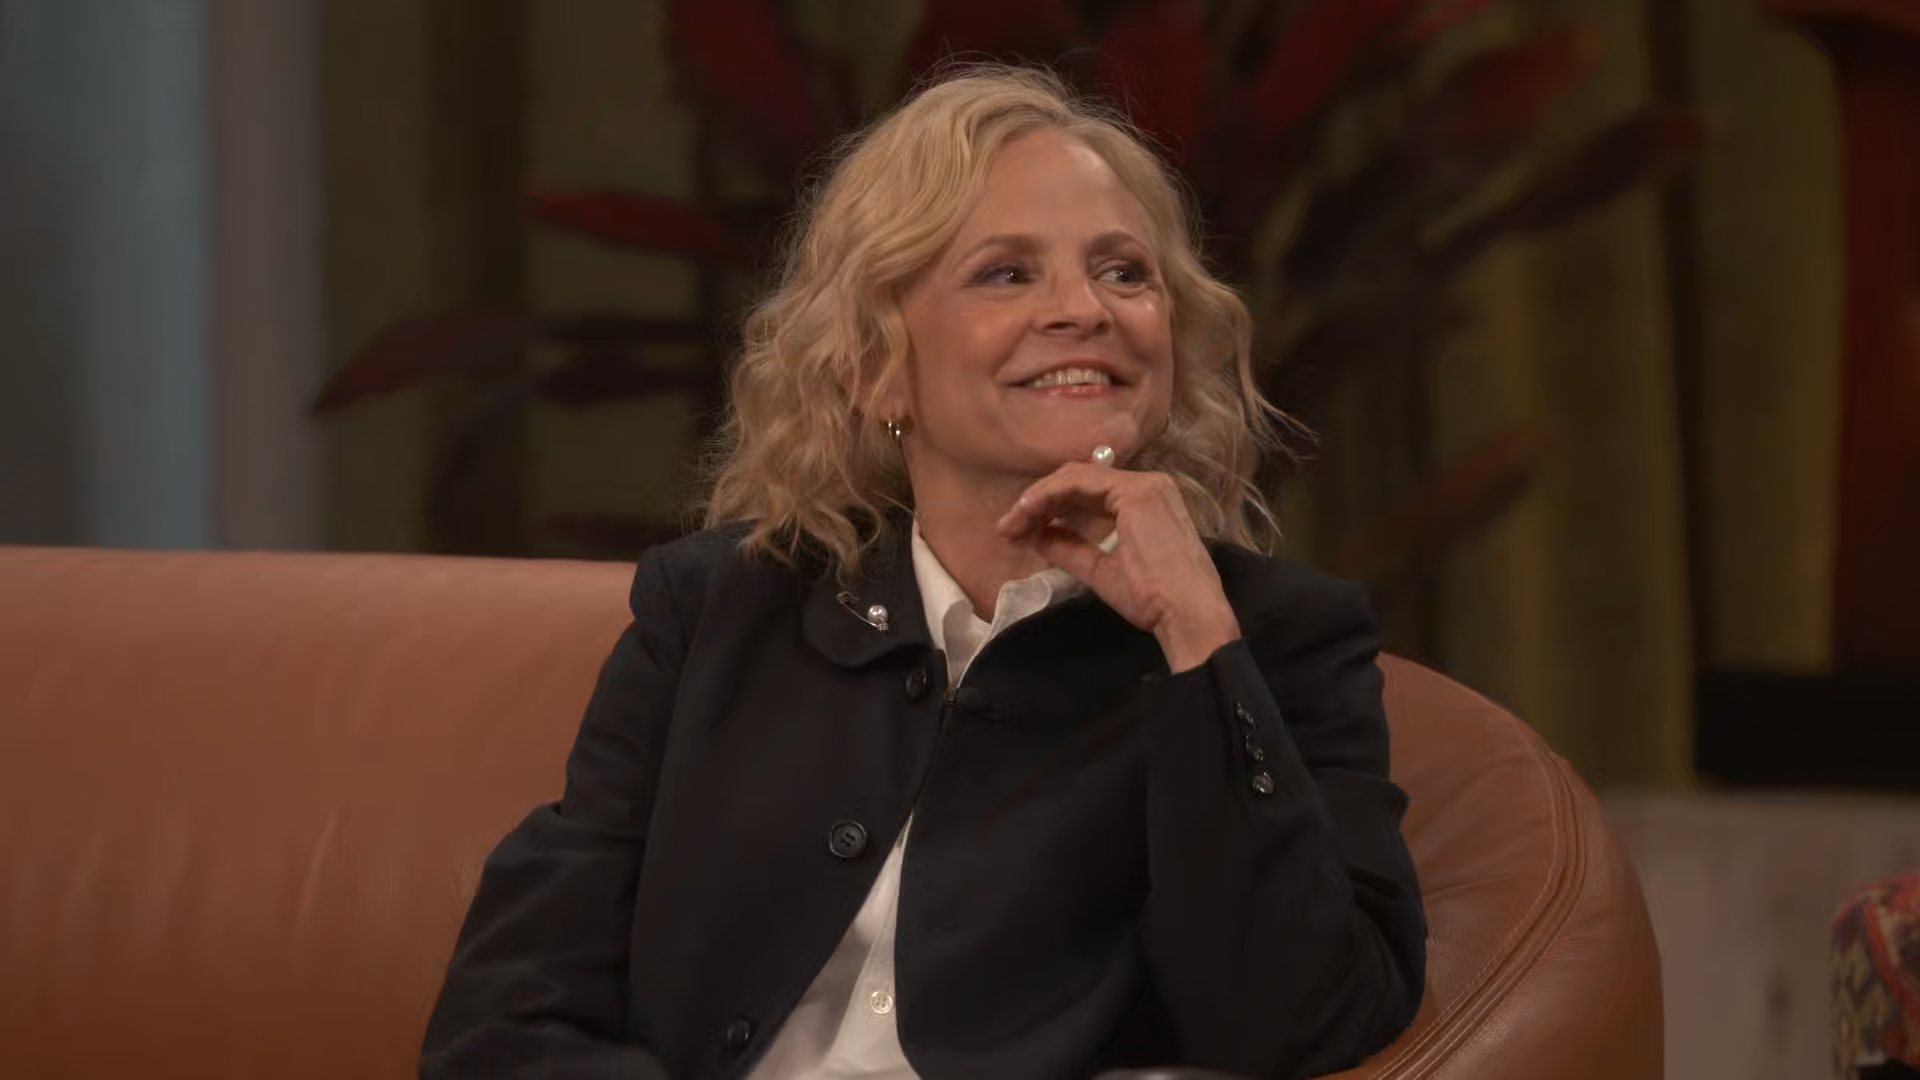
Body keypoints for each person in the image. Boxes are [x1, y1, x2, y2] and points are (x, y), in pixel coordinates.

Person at [421, 65, 1425, 1080]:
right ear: (873, 367)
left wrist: (1197, 641)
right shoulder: (718, 609)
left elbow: (1302, 1025)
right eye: (1007, 274)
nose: (1085, 309)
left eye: (1126, 272)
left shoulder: (1272, 641)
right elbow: (500, 1025)